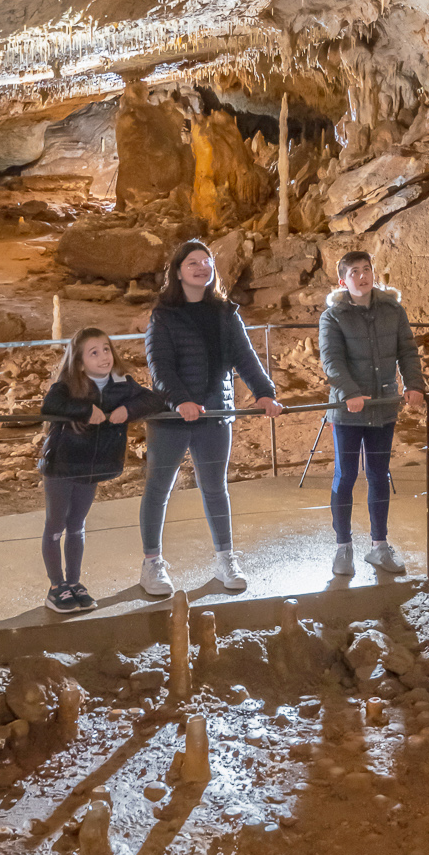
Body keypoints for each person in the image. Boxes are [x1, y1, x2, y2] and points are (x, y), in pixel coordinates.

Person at [141, 237, 278, 596]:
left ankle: (225, 558)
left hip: (215, 414)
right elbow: (160, 366)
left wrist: (265, 393)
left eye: (207, 262)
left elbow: (245, 358)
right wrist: (180, 401)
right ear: (178, 272)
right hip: (172, 418)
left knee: (216, 487)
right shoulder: (163, 316)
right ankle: (152, 562)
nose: (202, 267)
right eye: (193, 262)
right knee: (159, 488)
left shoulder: (225, 314)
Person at [317, 244, 425, 581]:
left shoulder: (393, 310)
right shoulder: (333, 316)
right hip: (348, 412)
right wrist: (350, 392)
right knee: (346, 476)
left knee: (379, 474)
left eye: (367, 270)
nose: (362, 277)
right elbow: (331, 359)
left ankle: (379, 544)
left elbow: (407, 350)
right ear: (342, 281)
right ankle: (343, 546)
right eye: (354, 272)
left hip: (382, 408)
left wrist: (414, 383)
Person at [34, 329, 160, 614]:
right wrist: (84, 410)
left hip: (91, 468)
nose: (104, 357)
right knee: (56, 524)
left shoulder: (121, 383)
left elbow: (153, 400)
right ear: (79, 363)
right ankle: (56, 586)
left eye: (106, 349)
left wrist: (128, 409)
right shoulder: (68, 384)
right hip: (62, 464)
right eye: (94, 353)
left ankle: (74, 583)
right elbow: (50, 405)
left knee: (77, 524)